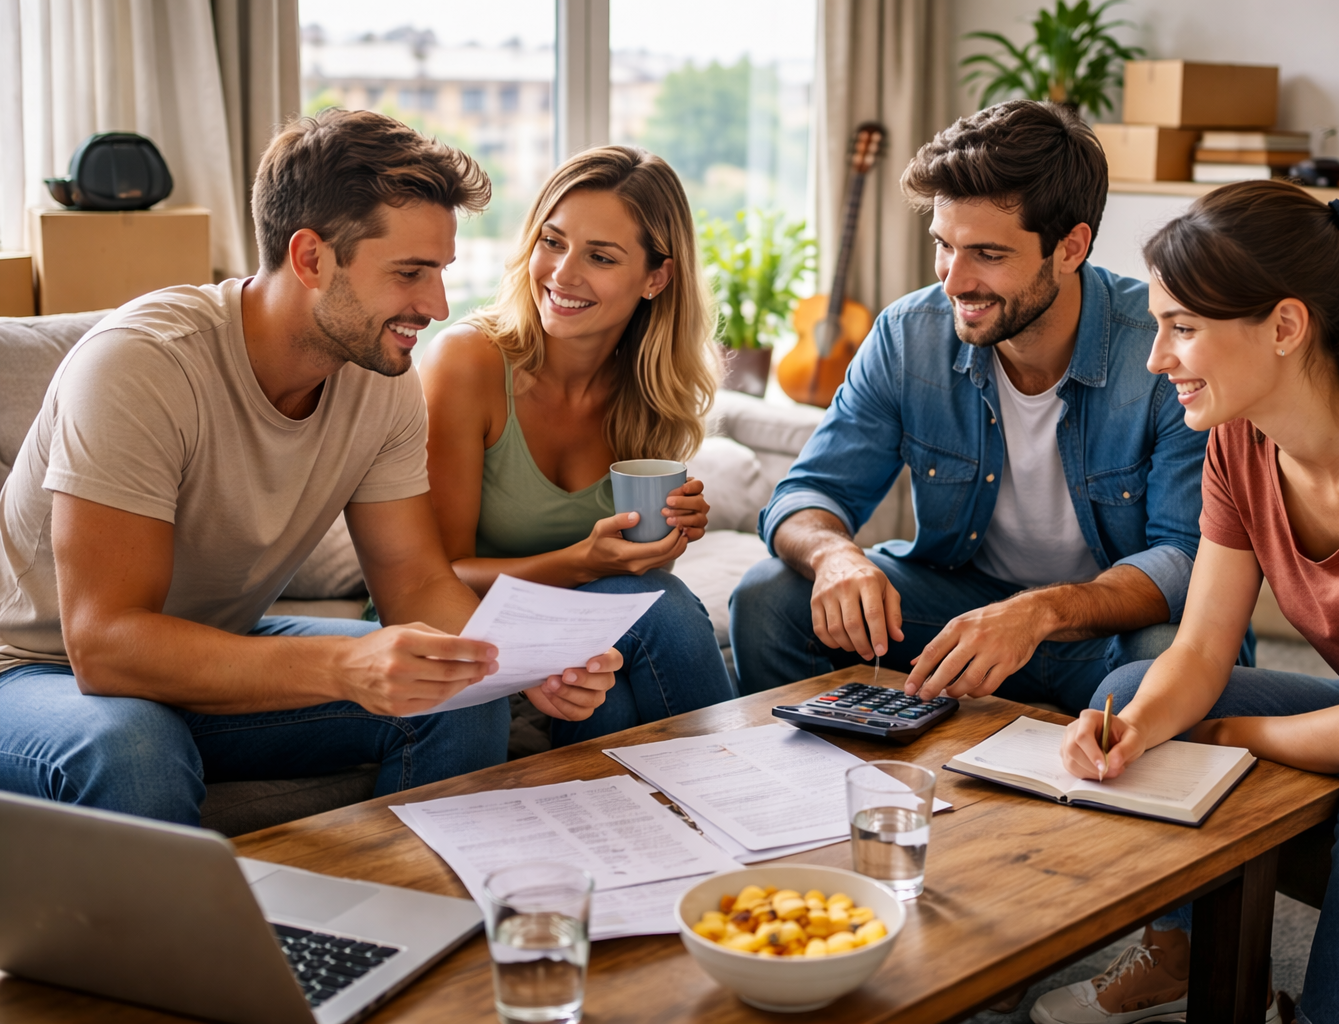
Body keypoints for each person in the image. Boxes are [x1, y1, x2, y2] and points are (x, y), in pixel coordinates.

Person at [0, 109, 620, 827]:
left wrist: (521, 661)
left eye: (441, 272)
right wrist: (339, 668)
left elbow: (416, 582)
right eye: (411, 273)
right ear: (311, 259)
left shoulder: (381, 379)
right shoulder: (142, 366)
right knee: (132, 746)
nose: (437, 305)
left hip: (211, 653)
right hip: (35, 672)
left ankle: (419, 927)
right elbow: (105, 648)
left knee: (459, 689)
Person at [1032, 181, 1339, 1024]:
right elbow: (1198, 653)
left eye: (1183, 328)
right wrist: (1143, 730)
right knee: (1131, 696)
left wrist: (1220, 738)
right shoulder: (1239, 440)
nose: (1157, 359)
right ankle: (1183, 966)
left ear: (1286, 326)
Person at [730, 100, 1244, 708]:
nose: (953, 282)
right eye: (944, 245)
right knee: (770, 595)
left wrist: (1038, 613)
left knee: (1157, 660)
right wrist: (834, 554)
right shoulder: (908, 334)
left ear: (1071, 247)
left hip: (1111, 634)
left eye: (988, 255)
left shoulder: (1163, 349)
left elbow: (1186, 560)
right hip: (959, 612)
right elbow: (805, 495)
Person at [417, 145, 733, 745]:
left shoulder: (650, 389)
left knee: (609, 687)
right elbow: (436, 577)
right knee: (661, 606)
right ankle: (741, 787)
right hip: (453, 626)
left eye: (601, 256)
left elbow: (626, 577)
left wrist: (664, 540)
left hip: (573, 635)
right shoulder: (469, 362)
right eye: (553, 241)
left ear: (656, 277)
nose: (562, 274)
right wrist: (586, 562)